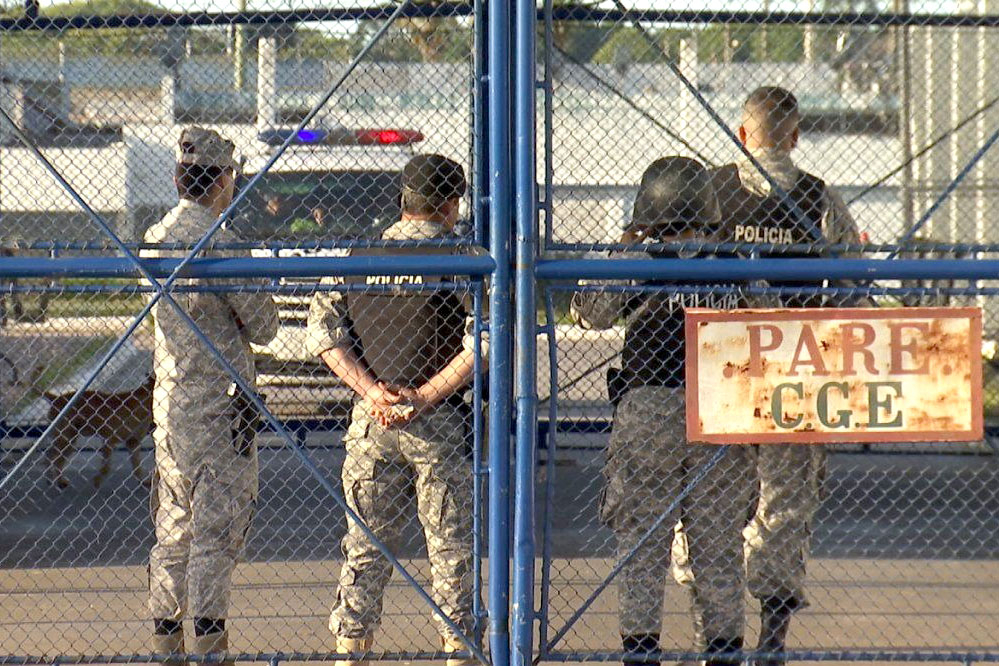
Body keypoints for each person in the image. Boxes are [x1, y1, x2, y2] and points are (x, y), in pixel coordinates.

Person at [674, 86, 865, 666]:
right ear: (796, 136)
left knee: (712, 508)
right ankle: (771, 641)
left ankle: (716, 636)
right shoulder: (819, 197)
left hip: (723, 372)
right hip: (798, 375)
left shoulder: (712, 190)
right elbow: (854, 286)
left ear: (742, 134)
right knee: (784, 507)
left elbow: (681, 269)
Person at [571, 157, 754, 666]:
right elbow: (766, 320)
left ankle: (641, 651)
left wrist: (624, 246)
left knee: (642, 542)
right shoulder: (734, 261)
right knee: (717, 543)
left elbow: (589, 313)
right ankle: (720, 651)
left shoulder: (640, 258)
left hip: (649, 405)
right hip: (720, 406)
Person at [305, 154, 481, 666]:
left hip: (371, 422)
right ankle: (458, 648)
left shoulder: (360, 254)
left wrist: (370, 391)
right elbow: (484, 340)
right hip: (440, 421)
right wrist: (424, 396)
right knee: (449, 547)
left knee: (364, 547)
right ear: (450, 206)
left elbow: (323, 332)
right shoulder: (463, 257)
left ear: (404, 201)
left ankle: (350, 650)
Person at [142, 127, 279, 664]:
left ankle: (165, 641)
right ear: (225, 180)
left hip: (173, 402)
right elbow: (264, 326)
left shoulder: (155, 237)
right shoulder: (223, 243)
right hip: (222, 408)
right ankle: (210, 645)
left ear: (179, 178)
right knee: (215, 532)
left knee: (173, 527)